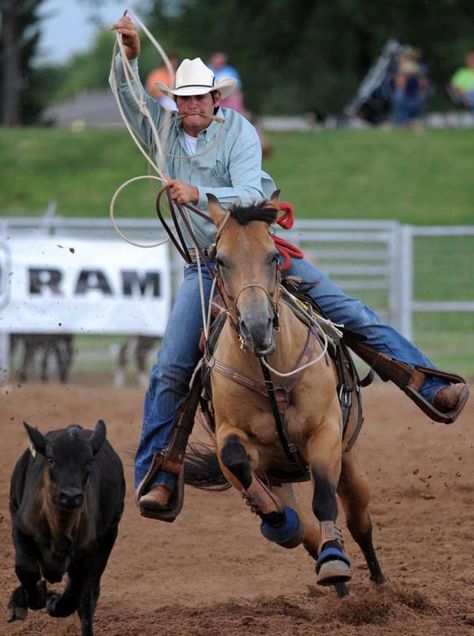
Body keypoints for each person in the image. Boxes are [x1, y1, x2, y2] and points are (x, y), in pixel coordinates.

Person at [110, 15, 468, 515]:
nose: (190, 106)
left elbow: (256, 192)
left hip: (259, 257)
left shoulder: (240, 133)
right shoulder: (163, 130)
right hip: (207, 267)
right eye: (182, 99)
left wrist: (201, 193)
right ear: (176, 102)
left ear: (216, 99)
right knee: (171, 366)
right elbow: (130, 105)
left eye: (199, 98)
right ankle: (160, 474)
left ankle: (425, 380)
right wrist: (127, 55)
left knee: (347, 311)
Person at [392, 47, 430, 128]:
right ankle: (402, 123)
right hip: (405, 90)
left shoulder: (420, 67)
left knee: (415, 104)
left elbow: (423, 82)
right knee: (401, 101)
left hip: (415, 91)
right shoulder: (400, 66)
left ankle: (411, 123)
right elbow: (399, 80)